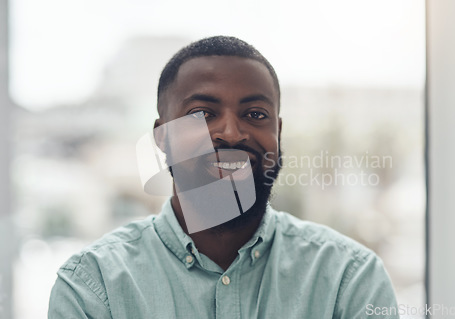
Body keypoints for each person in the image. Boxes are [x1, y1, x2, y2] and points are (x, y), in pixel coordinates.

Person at [48, 36, 399, 318]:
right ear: (162, 137)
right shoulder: (93, 287)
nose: (231, 133)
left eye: (255, 113)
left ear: (277, 133)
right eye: (202, 113)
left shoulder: (349, 280)